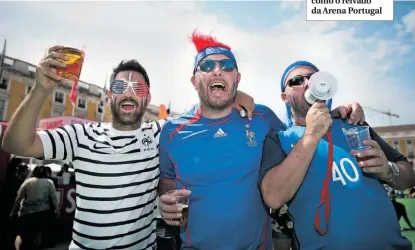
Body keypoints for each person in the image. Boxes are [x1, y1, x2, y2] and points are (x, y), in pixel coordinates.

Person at [1, 46, 256, 250]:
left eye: (138, 88)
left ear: (147, 97)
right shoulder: (81, 135)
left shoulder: (162, 132)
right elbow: (16, 144)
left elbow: (206, 108)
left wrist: (237, 94)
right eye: (120, 87)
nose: (129, 93)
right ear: (110, 95)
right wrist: (40, 90)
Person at [157, 32, 365, 250]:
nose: (218, 70)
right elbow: (168, 178)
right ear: (194, 81)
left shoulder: (262, 117)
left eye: (227, 66)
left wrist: (336, 114)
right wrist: (167, 199)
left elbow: (299, 134)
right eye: (207, 66)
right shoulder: (172, 132)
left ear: (237, 79)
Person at [259, 61, 415, 250]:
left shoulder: (353, 123)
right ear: (284, 97)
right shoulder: (279, 139)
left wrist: (389, 171)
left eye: (314, 78)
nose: (308, 83)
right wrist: (311, 134)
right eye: (297, 81)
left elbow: (408, 177)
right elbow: (274, 197)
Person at [10, 165, 59, 250]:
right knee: (38, 234)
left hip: (25, 213)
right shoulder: (49, 182)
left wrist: (13, 211)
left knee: (20, 234)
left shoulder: (27, 181)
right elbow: (54, 198)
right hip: (41, 213)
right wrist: (57, 210)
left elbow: (18, 198)